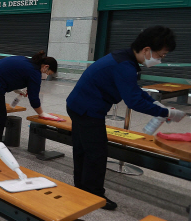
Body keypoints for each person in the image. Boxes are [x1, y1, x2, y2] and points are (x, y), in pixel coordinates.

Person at [66, 26, 186, 210]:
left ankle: (82, 188)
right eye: (160, 55)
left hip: (79, 105)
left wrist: (157, 105)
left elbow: (134, 91)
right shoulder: (125, 66)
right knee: (96, 153)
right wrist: (166, 113)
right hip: (87, 109)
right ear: (147, 50)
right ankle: (93, 195)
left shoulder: (124, 58)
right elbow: (134, 102)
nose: (160, 60)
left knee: (84, 149)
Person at [0, 51, 58, 147]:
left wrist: (16, 89)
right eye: (48, 72)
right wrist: (41, 113)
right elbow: (34, 98)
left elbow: (10, 72)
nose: (46, 75)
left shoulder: (27, 61)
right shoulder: (34, 72)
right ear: (46, 66)